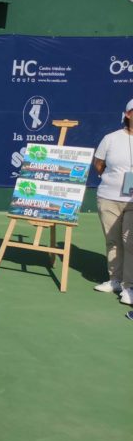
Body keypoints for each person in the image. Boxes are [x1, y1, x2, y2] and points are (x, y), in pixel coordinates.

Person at [92, 97, 133, 305]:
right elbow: (98, 163)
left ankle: (129, 286)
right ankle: (115, 280)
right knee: (113, 241)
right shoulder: (111, 138)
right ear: (128, 114)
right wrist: (111, 180)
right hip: (108, 198)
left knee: (130, 242)